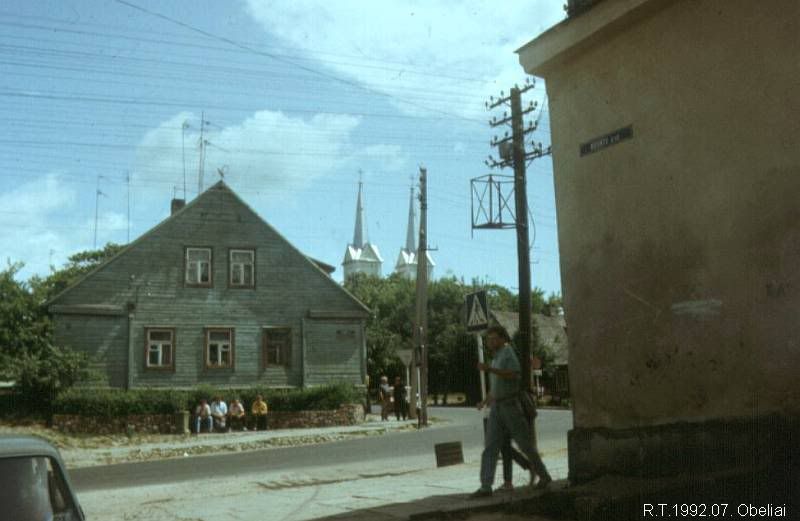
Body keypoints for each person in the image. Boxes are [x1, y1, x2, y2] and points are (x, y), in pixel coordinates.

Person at [471, 325, 552, 498]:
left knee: (525, 445)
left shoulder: (508, 353)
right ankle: (486, 486)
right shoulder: (496, 357)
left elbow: (514, 374)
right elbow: (496, 387)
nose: (490, 342)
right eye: (489, 339)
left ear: (502, 339)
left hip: (510, 406)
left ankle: (544, 476)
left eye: (493, 339)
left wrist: (490, 369)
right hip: (497, 407)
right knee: (490, 446)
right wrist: (484, 402)